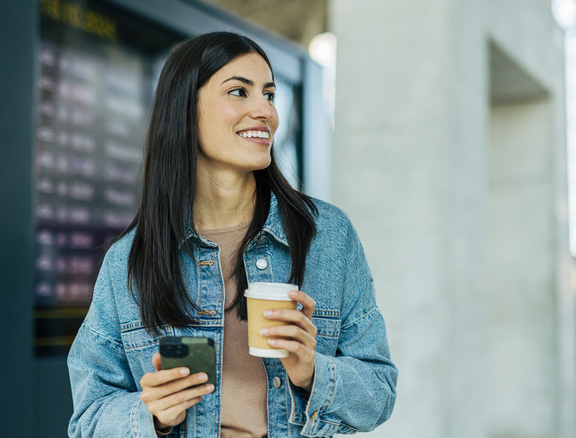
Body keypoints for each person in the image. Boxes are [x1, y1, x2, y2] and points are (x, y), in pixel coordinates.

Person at [67, 31, 398, 437]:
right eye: (239, 92)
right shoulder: (130, 259)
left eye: (269, 95)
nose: (265, 111)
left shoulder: (326, 235)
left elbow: (379, 392)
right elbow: (86, 419)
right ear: (186, 109)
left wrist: (314, 371)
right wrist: (151, 415)